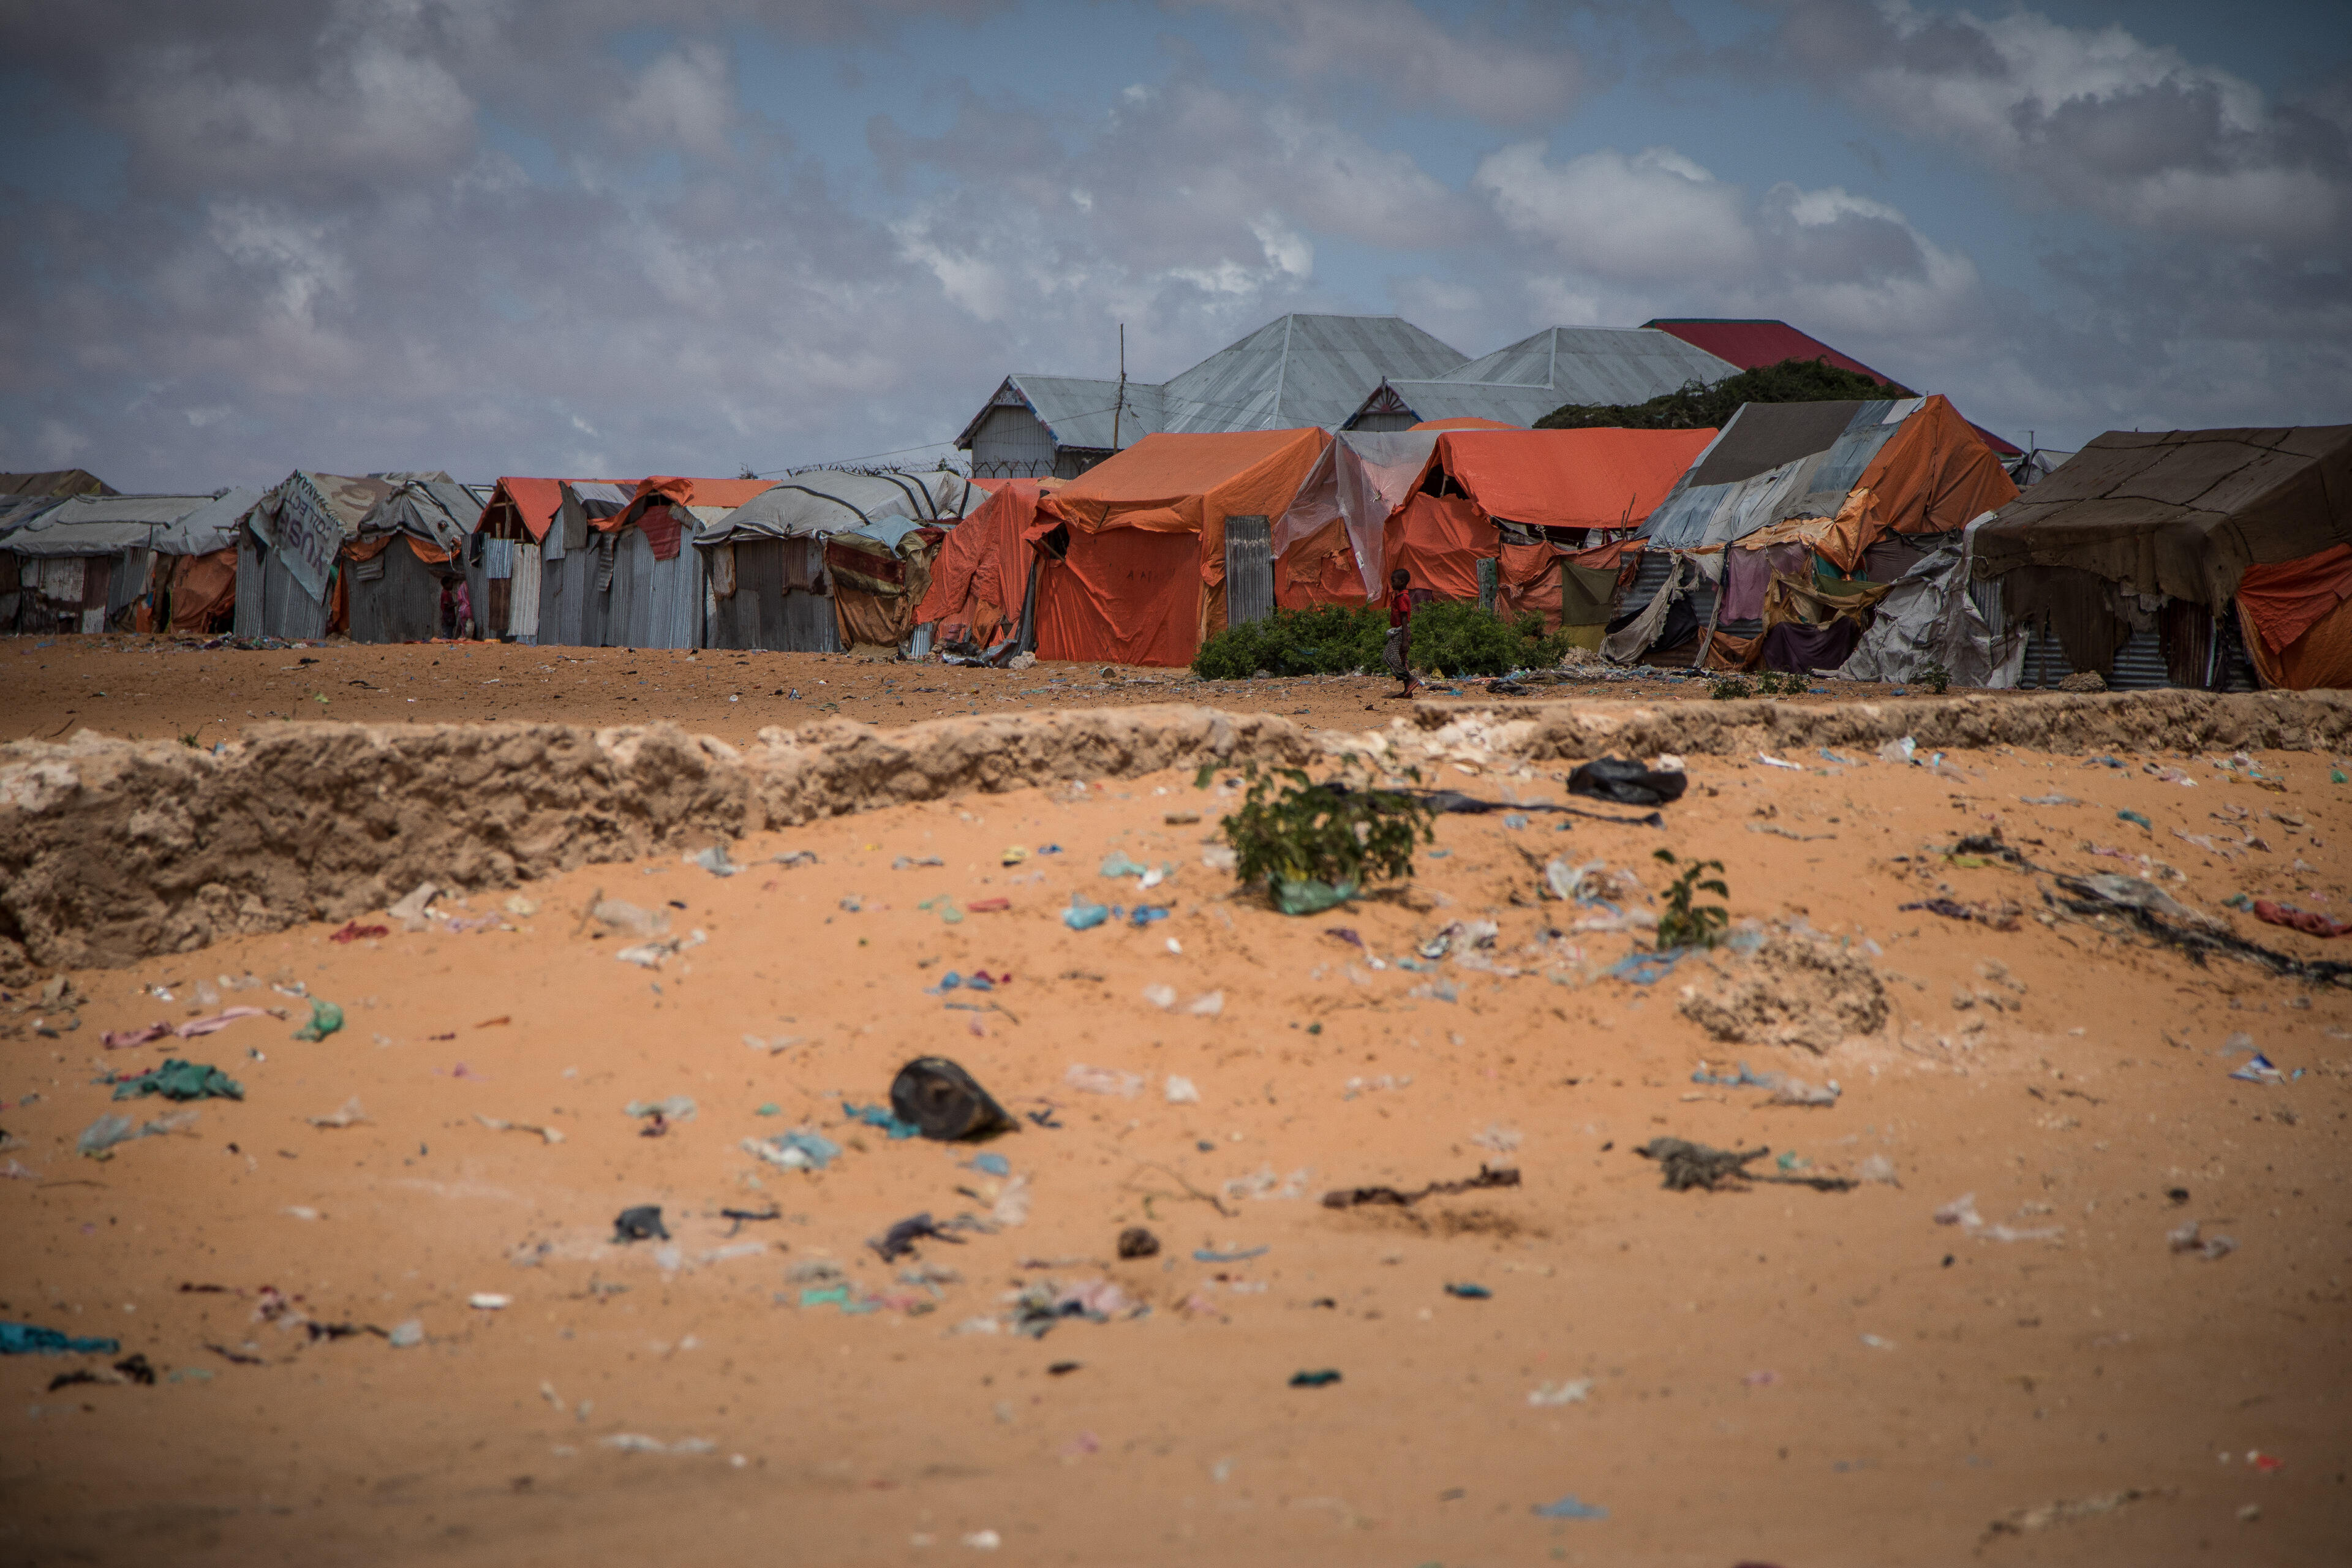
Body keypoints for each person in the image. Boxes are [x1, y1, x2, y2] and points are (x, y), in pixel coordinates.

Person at [1383, 567, 1420, 698]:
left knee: (1388, 656)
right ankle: (1407, 690)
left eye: (1395, 581)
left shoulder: (1402, 597)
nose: (1392, 584)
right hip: (1400, 632)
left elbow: (1405, 619)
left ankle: (1410, 679)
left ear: (1403, 582)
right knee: (1402, 660)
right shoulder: (1398, 596)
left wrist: (1405, 640)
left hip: (1401, 633)